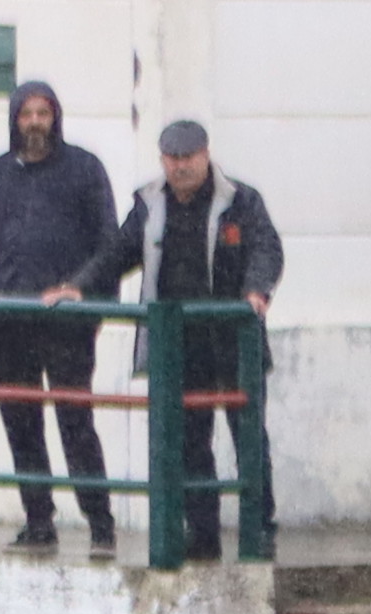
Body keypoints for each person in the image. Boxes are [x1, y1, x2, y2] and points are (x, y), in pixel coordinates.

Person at [77, 121, 281, 565]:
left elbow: (267, 250)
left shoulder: (241, 202)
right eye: (172, 158)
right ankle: (202, 534)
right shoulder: (149, 203)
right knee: (189, 444)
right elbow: (117, 253)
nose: (180, 166)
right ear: (162, 159)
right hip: (178, 348)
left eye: (188, 157)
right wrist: (80, 286)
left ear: (206, 155)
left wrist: (256, 291)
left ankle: (260, 530)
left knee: (248, 440)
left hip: (234, 341)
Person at [0, 80, 125, 556]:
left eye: (43, 113)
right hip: (5, 326)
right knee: (21, 423)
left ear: (56, 117)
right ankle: (38, 520)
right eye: (26, 114)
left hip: (67, 326)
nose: (35, 122)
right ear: (15, 119)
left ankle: (101, 525)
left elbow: (109, 244)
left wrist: (94, 306)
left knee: (76, 423)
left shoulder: (84, 170)